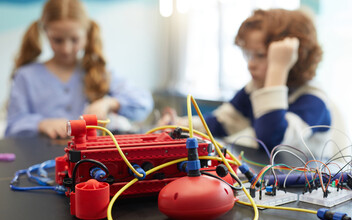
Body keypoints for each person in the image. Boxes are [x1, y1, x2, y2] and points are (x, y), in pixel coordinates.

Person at [159, 9, 334, 157]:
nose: (250, 64)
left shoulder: (313, 100)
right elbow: (221, 123)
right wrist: (179, 125)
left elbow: (271, 138)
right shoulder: (255, 88)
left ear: (293, 58)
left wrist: (277, 70)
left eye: (260, 55)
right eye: (248, 55)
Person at [5, 0, 153, 139]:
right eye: (57, 40)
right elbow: (12, 127)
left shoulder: (99, 72)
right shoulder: (26, 76)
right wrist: (41, 124)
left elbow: (143, 102)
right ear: (46, 33)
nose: (66, 49)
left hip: (90, 162)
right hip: (39, 162)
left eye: (74, 40)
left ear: (87, 35)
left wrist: (109, 103)